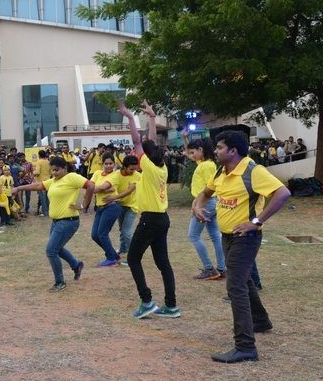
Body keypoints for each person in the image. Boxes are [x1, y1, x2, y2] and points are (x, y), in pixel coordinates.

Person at [193, 130, 290, 363]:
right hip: (228, 237)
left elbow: (283, 193)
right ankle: (260, 320)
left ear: (233, 150)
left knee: (235, 285)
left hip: (245, 238)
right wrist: (196, 206)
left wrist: (256, 222)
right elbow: (205, 193)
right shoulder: (221, 171)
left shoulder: (252, 170)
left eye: (219, 147)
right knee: (244, 280)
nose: (215, 151)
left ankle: (245, 346)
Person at [118, 101, 179, 319]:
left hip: (151, 220)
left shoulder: (149, 167)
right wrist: (152, 118)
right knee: (163, 264)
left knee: (133, 259)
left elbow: (137, 141)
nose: (139, 149)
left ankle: (147, 301)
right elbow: (150, 142)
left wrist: (131, 118)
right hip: (162, 219)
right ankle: (171, 306)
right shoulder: (160, 166)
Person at [13, 157, 94, 290]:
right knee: (58, 249)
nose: (54, 173)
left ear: (64, 169)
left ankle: (60, 282)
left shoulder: (72, 177)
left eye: (57, 170)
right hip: (56, 222)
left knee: (51, 251)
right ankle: (76, 265)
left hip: (68, 221)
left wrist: (84, 205)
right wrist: (19, 188)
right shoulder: (54, 181)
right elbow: (39, 185)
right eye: (52, 170)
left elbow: (90, 185)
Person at [183, 136, 226, 280]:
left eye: (193, 152)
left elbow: (209, 188)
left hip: (206, 204)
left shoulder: (207, 166)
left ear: (200, 150)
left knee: (193, 235)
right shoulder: (203, 163)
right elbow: (190, 155)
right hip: (209, 203)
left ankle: (210, 269)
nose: (191, 156)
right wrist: (184, 137)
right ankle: (222, 268)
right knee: (215, 236)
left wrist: (197, 204)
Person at [90, 154, 122, 267]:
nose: (108, 166)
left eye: (111, 163)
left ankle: (111, 259)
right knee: (95, 235)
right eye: (106, 163)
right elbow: (91, 187)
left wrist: (101, 189)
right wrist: (107, 189)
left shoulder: (116, 174)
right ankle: (114, 255)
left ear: (114, 164)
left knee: (102, 233)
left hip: (112, 206)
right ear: (102, 164)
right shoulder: (97, 173)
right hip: (100, 208)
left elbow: (99, 188)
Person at [108, 155, 140, 263]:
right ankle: (123, 249)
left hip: (132, 206)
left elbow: (130, 190)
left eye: (135, 168)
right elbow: (113, 187)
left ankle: (134, 256)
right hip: (120, 205)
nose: (133, 171)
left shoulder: (137, 175)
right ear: (124, 167)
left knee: (126, 232)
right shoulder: (116, 174)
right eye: (131, 169)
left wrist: (114, 197)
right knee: (122, 230)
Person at [33, 150, 51, 216]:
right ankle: (49, 211)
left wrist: (33, 172)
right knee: (47, 198)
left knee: (42, 198)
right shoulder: (48, 162)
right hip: (48, 181)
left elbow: (37, 172)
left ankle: (44, 212)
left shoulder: (39, 162)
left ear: (39, 155)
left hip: (41, 182)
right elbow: (51, 172)